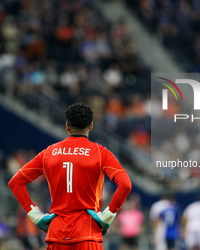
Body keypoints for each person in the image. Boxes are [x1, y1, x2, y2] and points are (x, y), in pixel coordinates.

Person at [8, 103, 132, 250]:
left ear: (67, 126)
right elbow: (125, 184)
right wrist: (108, 214)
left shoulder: (49, 152)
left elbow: (15, 182)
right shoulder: (100, 153)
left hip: (57, 235)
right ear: (91, 126)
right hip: (88, 233)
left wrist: (35, 215)